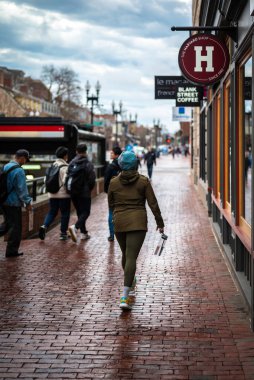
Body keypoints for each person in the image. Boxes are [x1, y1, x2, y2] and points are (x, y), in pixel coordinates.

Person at [108, 151, 164, 310]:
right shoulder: (143, 182)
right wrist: (160, 222)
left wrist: (115, 216)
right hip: (138, 222)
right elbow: (153, 203)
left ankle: (130, 281)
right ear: (135, 164)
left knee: (126, 254)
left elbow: (110, 203)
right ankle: (125, 297)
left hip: (119, 221)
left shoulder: (113, 182)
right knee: (131, 256)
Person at [2, 149, 32, 257]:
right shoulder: (19, 170)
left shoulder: (6, 166)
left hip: (4, 201)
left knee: (7, 225)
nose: (25, 162)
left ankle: (11, 250)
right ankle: (11, 251)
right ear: (22, 158)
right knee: (16, 228)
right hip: (13, 203)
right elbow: (22, 189)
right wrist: (27, 202)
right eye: (25, 160)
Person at [39, 146, 70, 241]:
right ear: (65, 156)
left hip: (52, 194)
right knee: (65, 213)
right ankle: (63, 234)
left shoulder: (52, 166)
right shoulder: (65, 167)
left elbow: (45, 180)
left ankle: (45, 226)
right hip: (63, 195)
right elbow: (66, 182)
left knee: (52, 212)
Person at [68, 143, 96, 242]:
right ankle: (75, 228)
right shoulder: (88, 163)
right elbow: (92, 179)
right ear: (86, 151)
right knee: (86, 212)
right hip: (84, 193)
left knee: (80, 212)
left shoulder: (72, 162)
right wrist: (88, 189)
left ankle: (84, 233)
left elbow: (67, 176)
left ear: (76, 151)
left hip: (73, 192)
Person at [104, 146, 122, 242]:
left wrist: (107, 191)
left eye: (112, 153)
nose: (110, 154)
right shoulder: (124, 165)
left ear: (116, 155)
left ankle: (112, 235)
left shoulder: (111, 166)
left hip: (112, 193)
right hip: (123, 192)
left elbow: (106, 180)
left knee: (111, 212)